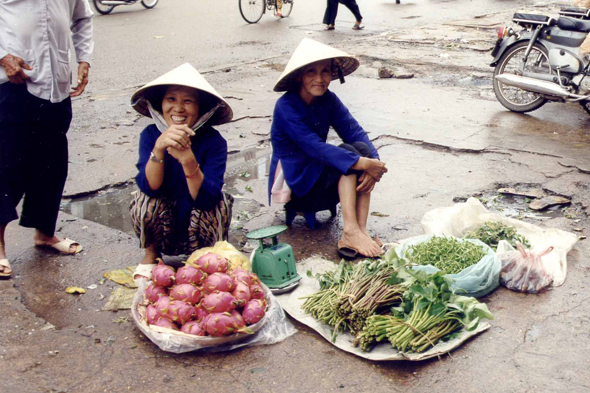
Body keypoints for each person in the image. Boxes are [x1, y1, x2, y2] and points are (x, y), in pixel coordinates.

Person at [268, 38, 387, 258]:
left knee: (360, 147)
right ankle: (350, 231)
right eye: (311, 72)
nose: (320, 79)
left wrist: (375, 165)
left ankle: (360, 230)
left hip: (323, 179)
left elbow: (354, 131)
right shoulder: (285, 107)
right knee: (352, 155)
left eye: (325, 71)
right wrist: (364, 164)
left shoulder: (329, 100)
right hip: (301, 188)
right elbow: (313, 147)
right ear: (299, 76)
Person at [0, 0, 94, 278]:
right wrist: (3, 55)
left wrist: (84, 59)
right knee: (7, 166)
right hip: (13, 82)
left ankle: (45, 234)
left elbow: (82, 19)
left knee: (52, 164)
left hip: (57, 84)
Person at [129, 63, 234, 281]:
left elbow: (207, 199)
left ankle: (205, 257)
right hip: (165, 225)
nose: (178, 108)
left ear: (201, 108)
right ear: (161, 104)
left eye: (187, 101)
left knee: (221, 203)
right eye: (171, 99)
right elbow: (150, 187)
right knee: (142, 200)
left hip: (198, 225)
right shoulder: (150, 135)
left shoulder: (214, 142)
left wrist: (187, 159)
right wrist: (158, 148)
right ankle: (151, 254)